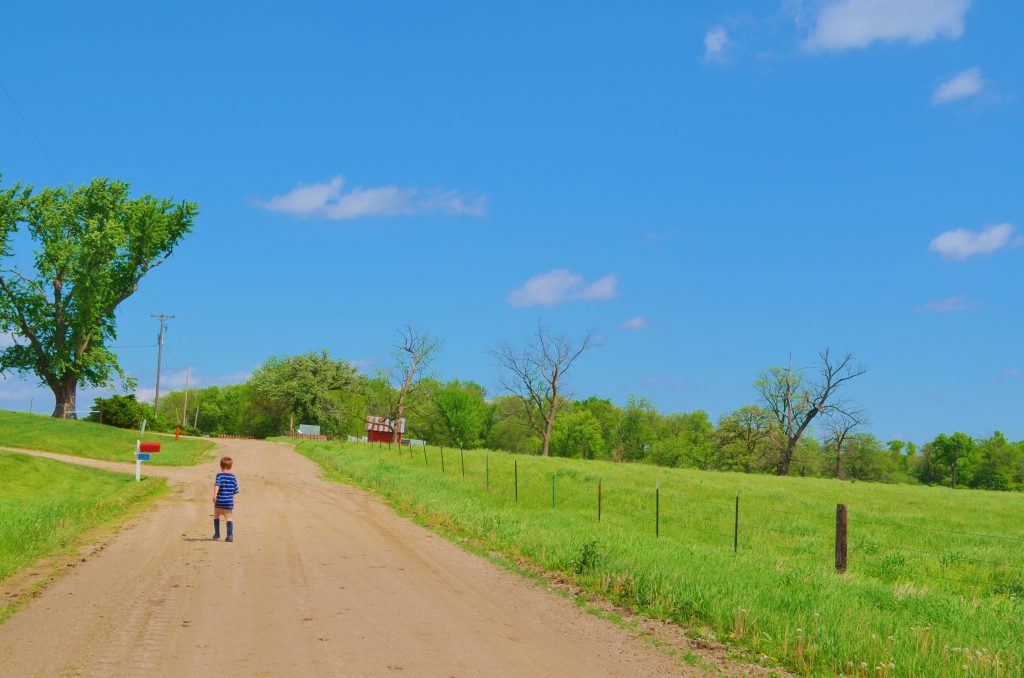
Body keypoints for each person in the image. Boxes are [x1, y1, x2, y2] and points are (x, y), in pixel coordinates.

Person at [212, 456, 239, 542]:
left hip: (219, 501)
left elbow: (217, 485)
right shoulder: (233, 477)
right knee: (228, 517)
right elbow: (235, 490)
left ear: (221, 466)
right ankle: (230, 536)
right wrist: (230, 497)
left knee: (216, 515)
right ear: (231, 466)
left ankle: (217, 534)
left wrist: (215, 495)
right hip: (228, 502)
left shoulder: (219, 475)